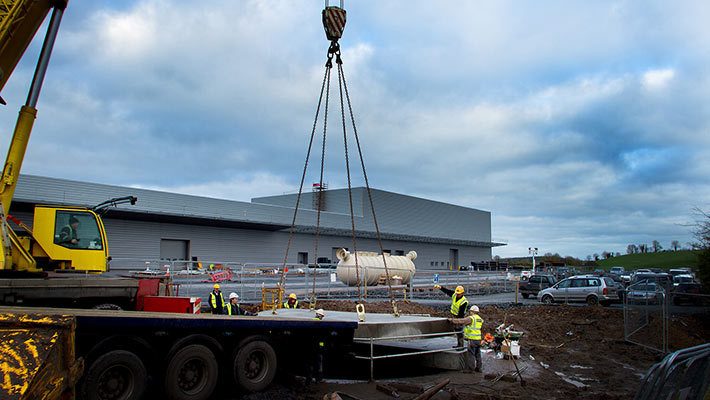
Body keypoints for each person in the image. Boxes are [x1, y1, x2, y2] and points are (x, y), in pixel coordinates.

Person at [450, 305, 484, 372]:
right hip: (478, 339)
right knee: (478, 354)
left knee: (471, 354)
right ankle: (479, 368)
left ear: (473, 312)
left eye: (471, 311)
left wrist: (452, 320)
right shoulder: (480, 319)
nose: (470, 312)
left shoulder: (471, 318)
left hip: (472, 339)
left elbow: (462, 321)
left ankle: (470, 369)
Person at [306, 309, 325, 384]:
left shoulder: (310, 322)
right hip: (317, 348)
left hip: (310, 346)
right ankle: (318, 379)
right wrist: (321, 346)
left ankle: (308, 379)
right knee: (318, 364)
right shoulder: (321, 324)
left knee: (309, 364)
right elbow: (321, 337)